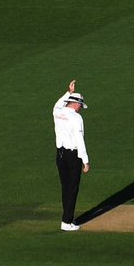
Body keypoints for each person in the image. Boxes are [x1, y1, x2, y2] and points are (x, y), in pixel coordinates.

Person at [53, 81, 89, 231]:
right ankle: (67, 222)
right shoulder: (76, 118)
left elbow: (57, 104)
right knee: (72, 188)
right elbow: (79, 140)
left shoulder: (57, 112)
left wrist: (68, 92)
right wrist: (85, 161)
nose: (81, 107)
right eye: (80, 104)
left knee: (66, 187)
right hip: (72, 156)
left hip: (60, 155)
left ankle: (66, 218)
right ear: (75, 104)